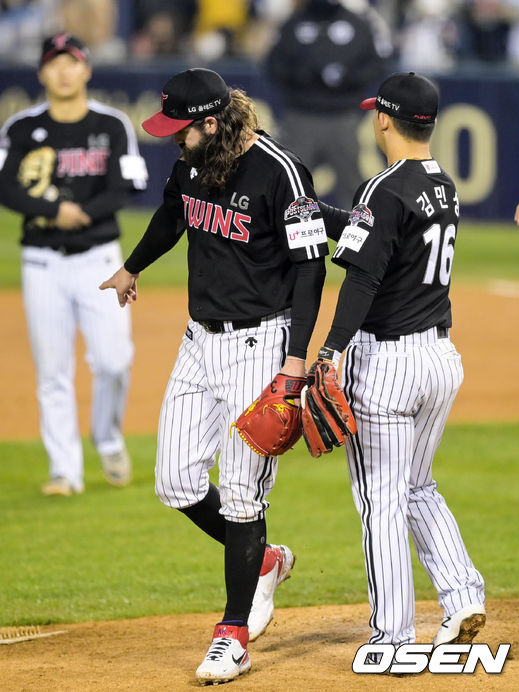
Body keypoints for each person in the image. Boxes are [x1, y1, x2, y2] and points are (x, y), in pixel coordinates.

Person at [99, 67, 343, 685]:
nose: (171, 139)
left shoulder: (279, 173)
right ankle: (266, 561)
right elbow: (171, 216)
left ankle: (232, 635)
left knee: (241, 494)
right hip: (197, 341)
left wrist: (295, 359)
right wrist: (132, 266)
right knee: (175, 481)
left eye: (179, 130)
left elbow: (310, 271)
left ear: (211, 123)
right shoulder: (191, 162)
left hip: (261, 346)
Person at [309, 72, 486, 660]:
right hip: (439, 359)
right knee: (417, 485)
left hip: (388, 365)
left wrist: (329, 351)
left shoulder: (382, 187)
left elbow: (363, 275)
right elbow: (380, 235)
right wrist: (325, 213)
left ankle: (392, 635)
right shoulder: (443, 184)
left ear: (384, 119)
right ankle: (462, 595)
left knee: (381, 499)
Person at [0, 33, 148, 496]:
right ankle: (65, 469)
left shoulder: (112, 123)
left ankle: (107, 438)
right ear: (42, 72)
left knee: (113, 361)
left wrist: (78, 212)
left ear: (86, 70)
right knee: (52, 371)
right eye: (54, 63)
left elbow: (127, 186)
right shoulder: (21, 127)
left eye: (72, 62)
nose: (63, 71)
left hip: (100, 260)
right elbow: (6, 187)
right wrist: (51, 211)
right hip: (42, 261)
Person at [265, 0, 390, 208]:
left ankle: (359, 235)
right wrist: (300, 75)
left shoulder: (356, 23)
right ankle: (276, 235)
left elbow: (375, 64)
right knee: (287, 182)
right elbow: (274, 64)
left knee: (351, 186)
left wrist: (348, 77)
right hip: (302, 116)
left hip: (342, 116)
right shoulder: (294, 23)